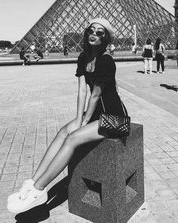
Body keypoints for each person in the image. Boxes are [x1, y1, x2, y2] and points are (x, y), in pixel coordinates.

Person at [7, 17, 128, 214]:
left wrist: (84, 121)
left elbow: (96, 94)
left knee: (72, 138)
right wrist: (79, 119)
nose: (94, 34)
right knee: (63, 132)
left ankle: (39, 190)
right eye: (92, 30)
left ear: (105, 39)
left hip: (115, 118)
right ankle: (32, 182)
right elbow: (82, 91)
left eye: (100, 32)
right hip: (96, 114)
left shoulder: (106, 60)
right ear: (87, 32)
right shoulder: (83, 57)